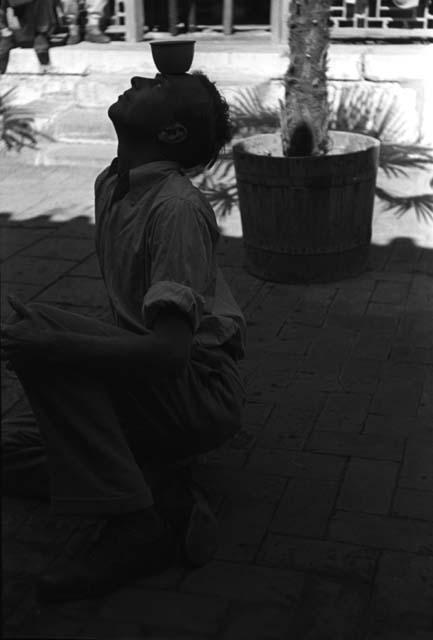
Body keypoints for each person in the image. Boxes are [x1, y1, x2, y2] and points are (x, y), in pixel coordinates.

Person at [1, 70, 246, 603]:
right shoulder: (113, 183)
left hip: (197, 388)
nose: (137, 76)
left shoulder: (176, 208)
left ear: (173, 135)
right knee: (9, 449)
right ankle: (159, 490)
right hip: (148, 377)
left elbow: (171, 353)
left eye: (156, 86)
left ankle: (137, 526)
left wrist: (61, 349)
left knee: (46, 337)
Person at [0, 0, 55, 73]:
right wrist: (3, 28)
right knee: (4, 46)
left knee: (41, 44)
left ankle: (45, 65)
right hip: (15, 29)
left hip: (33, 29)